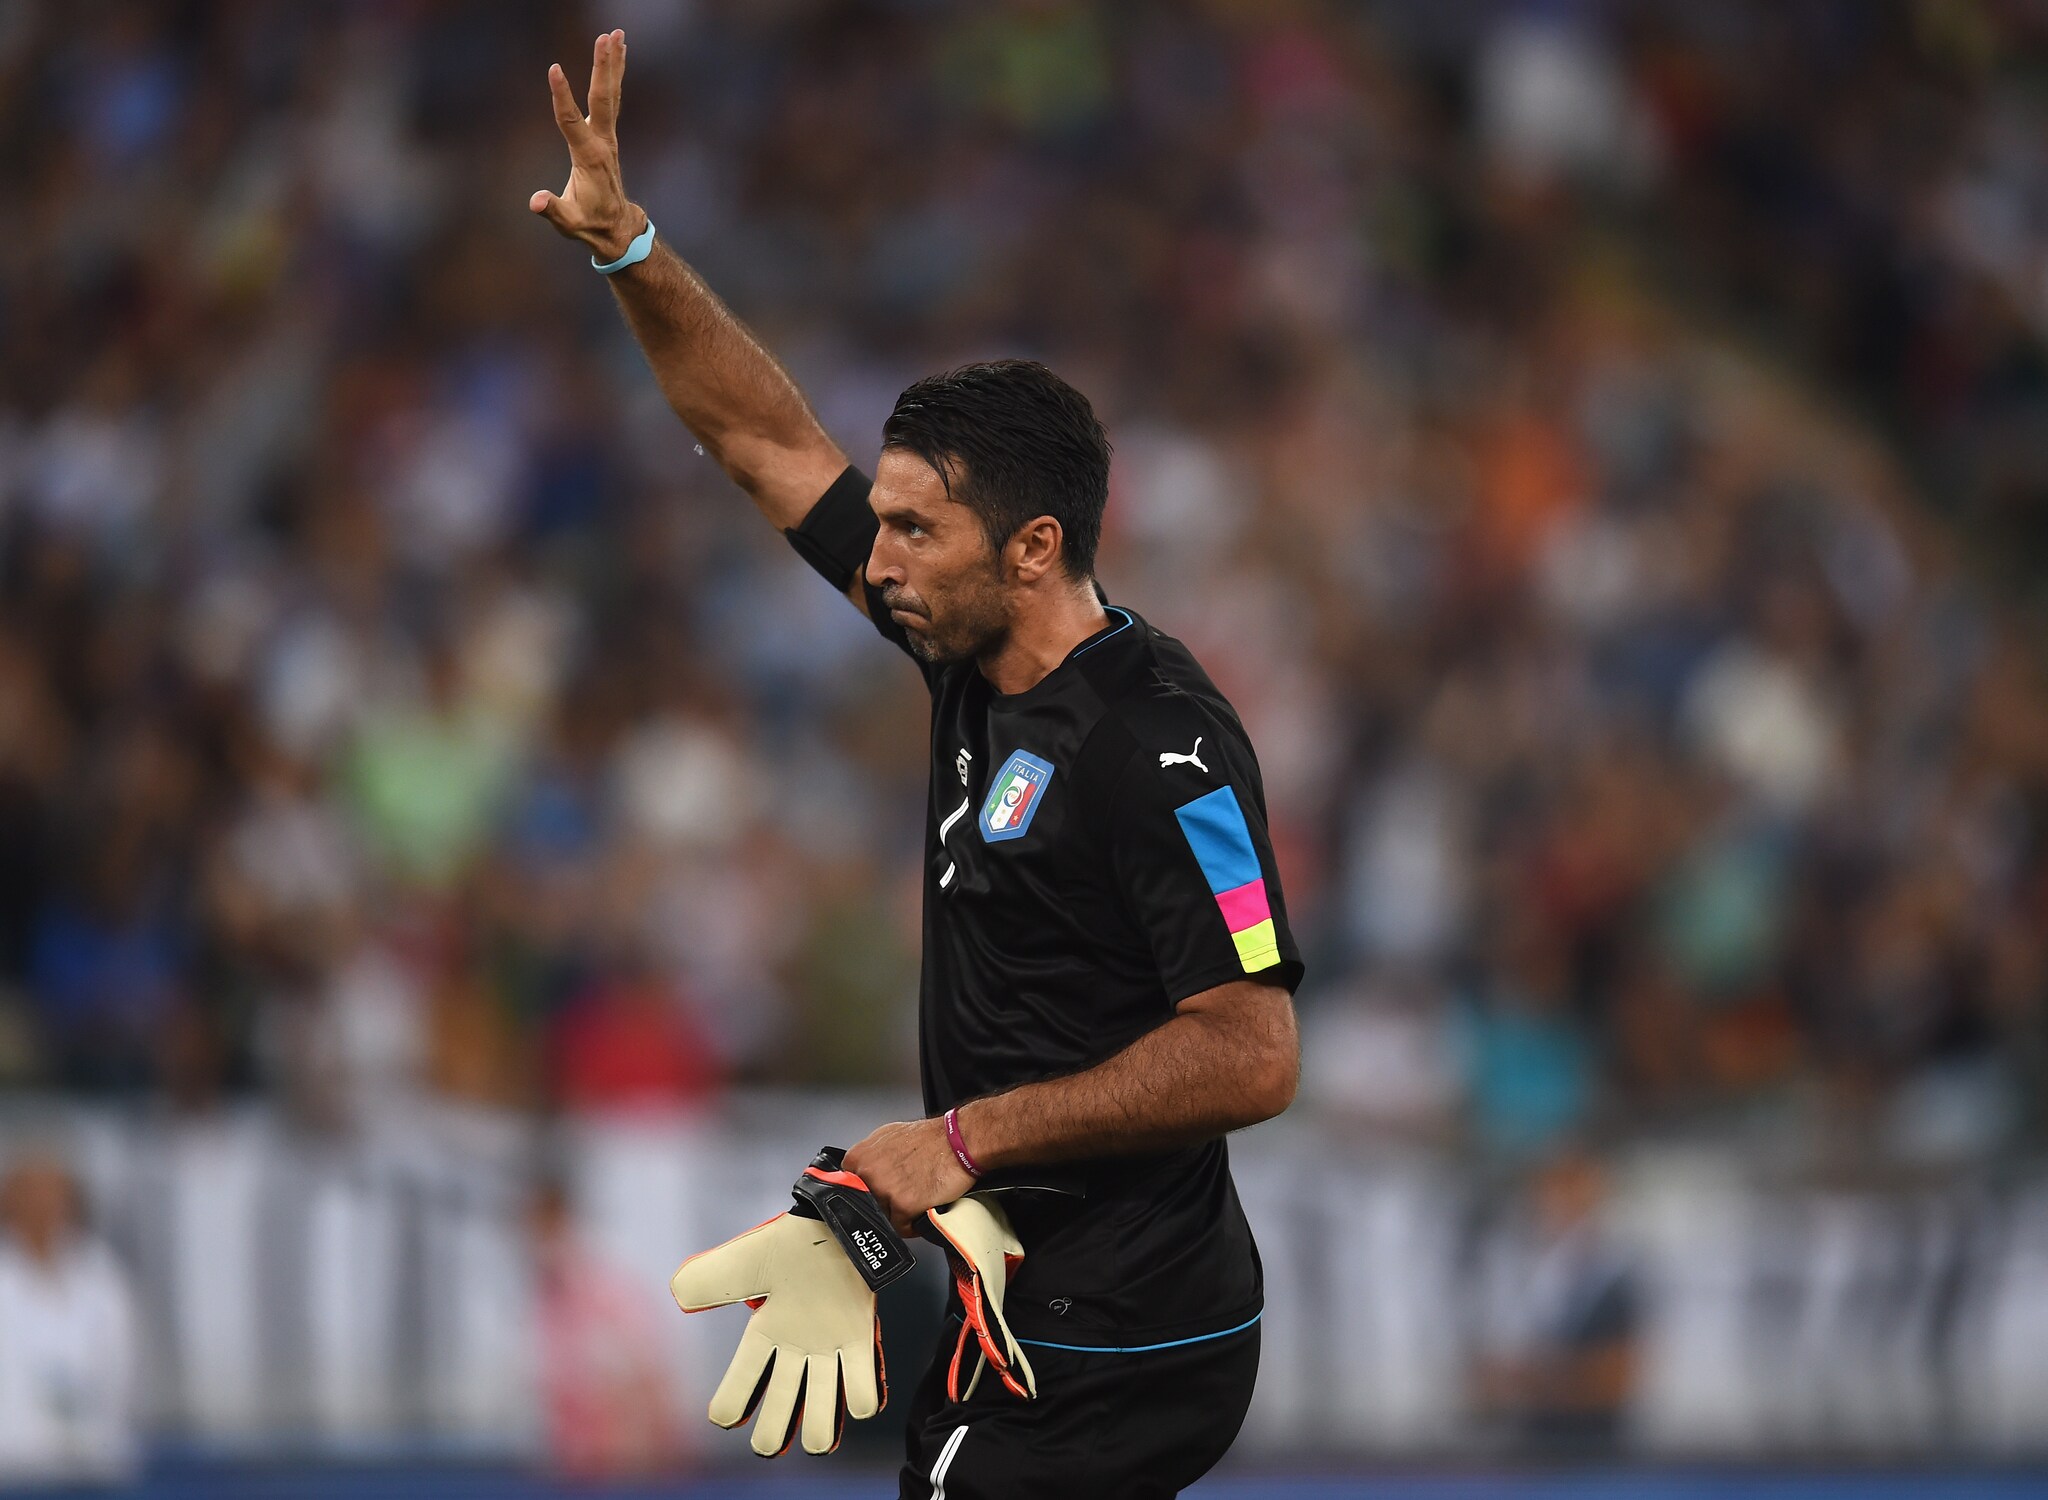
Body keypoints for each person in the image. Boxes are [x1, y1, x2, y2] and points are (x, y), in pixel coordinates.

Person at [532, 32, 1303, 1498]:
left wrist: (964, 1138)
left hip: (1113, 1329)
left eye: (912, 533)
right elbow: (761, 439)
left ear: (1033, 550)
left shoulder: (1163, 748)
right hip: (1030, 1286)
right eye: (878, 522)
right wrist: (628, 245)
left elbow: (1254, 1050)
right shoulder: (966, 650)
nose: (875, 564)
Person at [0, 1152, 141, 1486]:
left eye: (53, 1189)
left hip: (90, 1468)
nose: (42, 1202)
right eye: (31, 1189)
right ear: (9, 1198)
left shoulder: (101, 1273)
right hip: (12, 1467)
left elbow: (122, 1369)